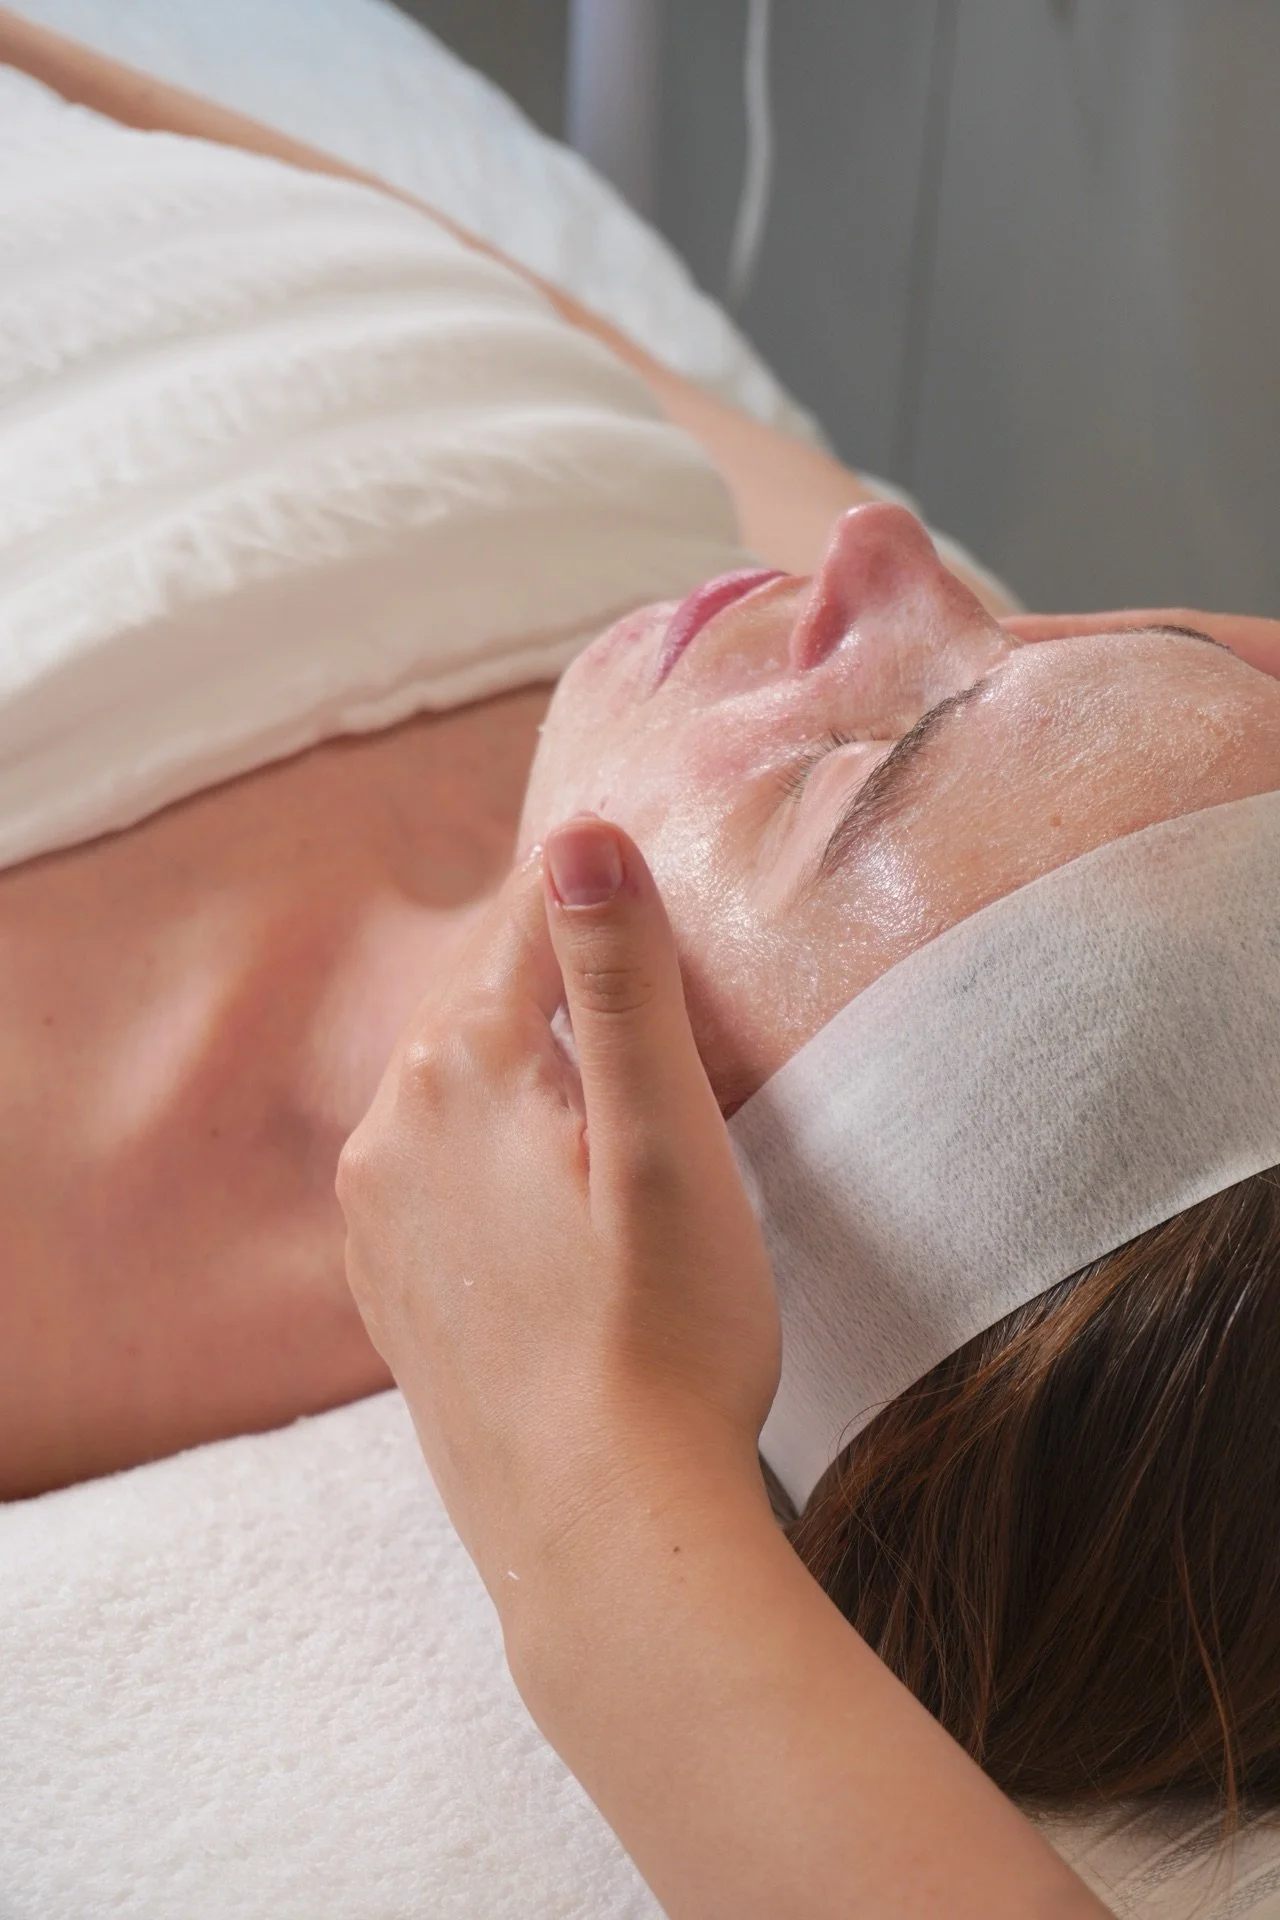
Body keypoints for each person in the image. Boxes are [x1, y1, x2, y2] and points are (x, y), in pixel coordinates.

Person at [2, 5, 1280, 1841]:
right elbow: (472, 270)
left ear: (671, 1197)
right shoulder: (766, 690)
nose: (886, 555)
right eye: (1067, 644)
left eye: (862, 780)